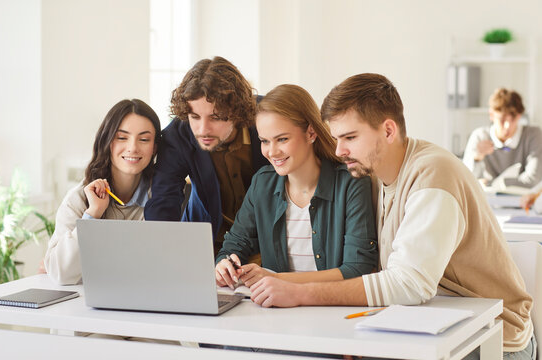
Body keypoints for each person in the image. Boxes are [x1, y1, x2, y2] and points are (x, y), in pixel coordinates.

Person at [249, 74, 536, 359]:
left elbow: (408, 284)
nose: (339, 150)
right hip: (425, 328)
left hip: (493, 339)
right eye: (337, 138)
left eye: (350, 137)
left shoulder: (433, 174)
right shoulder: (373, 177)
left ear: (388, 131)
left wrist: (300, 293)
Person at [214, 84, 378, 289]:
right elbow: (233, 246)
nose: (272, 152)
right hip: (275, 311)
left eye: (282, 139)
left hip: (333, 310)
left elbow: (357, 268)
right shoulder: (262, 184)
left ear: (311, 133)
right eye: (264, 141)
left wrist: (276, 280)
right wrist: (225, 264)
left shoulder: (351, 182)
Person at [144, 56, 269, 255]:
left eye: (216, 117)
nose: (203, 129)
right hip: (206, 244)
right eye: (194, 117)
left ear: (237, 111)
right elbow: (163, 202)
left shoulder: (268, 116)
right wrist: (162, 256)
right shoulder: (177, 135)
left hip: (266, 244)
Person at [44, 99, 161, 285]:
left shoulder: (163, 199)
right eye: (122, 138)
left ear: (154, 147)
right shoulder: (79, 198)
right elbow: (60, 273)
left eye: (144, 139)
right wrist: (92, 215)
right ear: (107, 141)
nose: (133, 147)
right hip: (86, 307)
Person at [463, 88, 542, 190]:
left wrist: (492, 184)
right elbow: (465, 180)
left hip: (521, 203)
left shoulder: (533, 135)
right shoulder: (480, 136)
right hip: (487, 202)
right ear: (491, 115)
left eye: (513, 119)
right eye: (502, 119)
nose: (507, 126)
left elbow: (533, 180)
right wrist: (477, 157)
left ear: (519, 116)